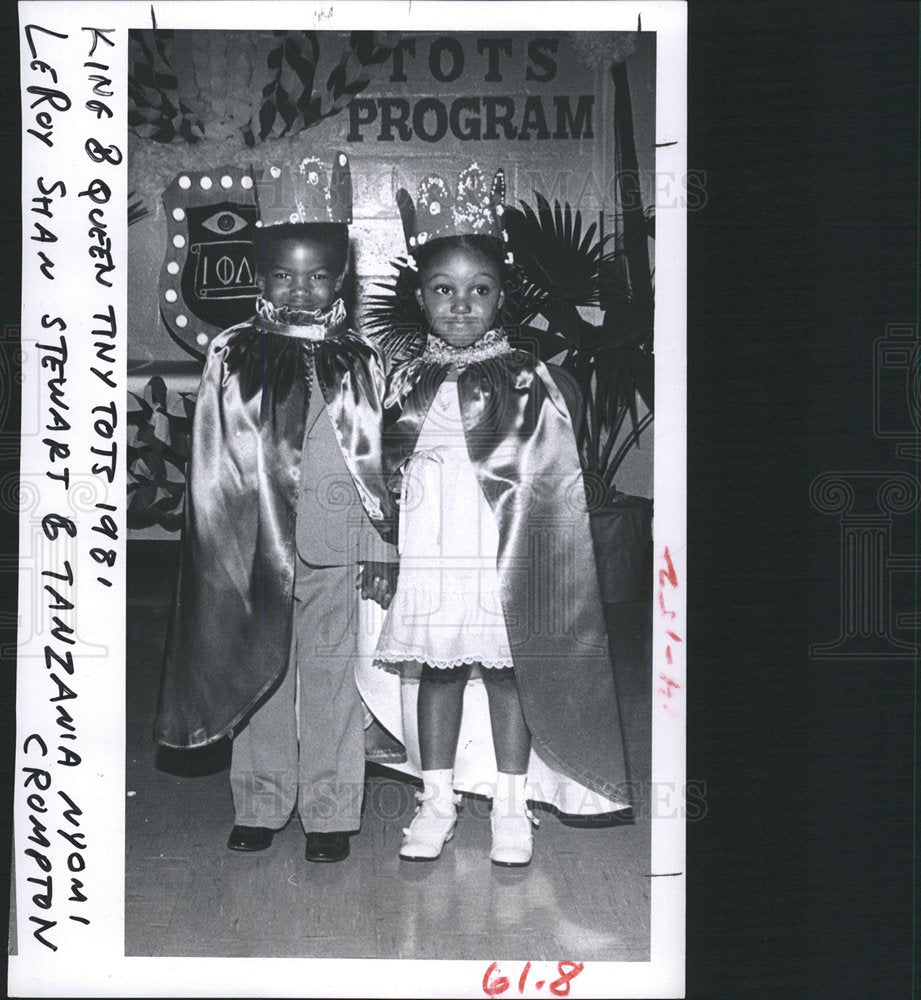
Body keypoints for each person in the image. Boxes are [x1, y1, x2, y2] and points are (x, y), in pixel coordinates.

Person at [370, 165, 632, 867]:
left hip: (503, 552)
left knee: (511, 670)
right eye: (443, 291)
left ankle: (511, 806)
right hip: (432, 550)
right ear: (419, 297)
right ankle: (436, 800)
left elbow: (552, 482)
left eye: (478, 291)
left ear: (500, 299)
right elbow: (384, 476)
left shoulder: (526, 375)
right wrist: (385, 551)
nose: (460, 305)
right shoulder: (403, 378)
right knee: (438, 670)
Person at [153, 152, 397, 864]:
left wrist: (381, 547)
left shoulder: (359, 357)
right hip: (254, 546)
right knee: (260, 676)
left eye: (317, 276)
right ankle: (260, 800)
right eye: (283, 275)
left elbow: (376, 461)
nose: (300, 289)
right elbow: (212, 457)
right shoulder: (233, 352)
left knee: (328, 677)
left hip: (336, 547)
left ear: (340, 279)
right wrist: (215, 550)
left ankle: (328, 813)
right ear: (259, 276)